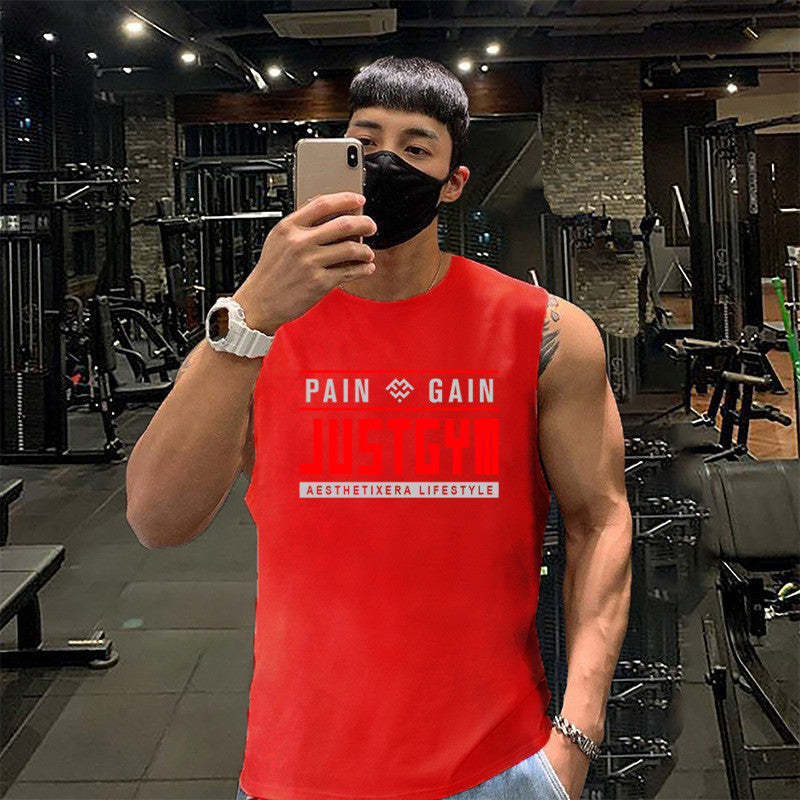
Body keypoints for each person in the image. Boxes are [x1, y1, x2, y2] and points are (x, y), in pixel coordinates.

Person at [127, 56, 631, 800]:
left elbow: (601, 518)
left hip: (499, 768)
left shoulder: (547, 333)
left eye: (416, 148)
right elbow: (156, 520)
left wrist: (578, 734)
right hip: (298, 771)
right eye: (366, 143)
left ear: (453, 183)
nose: (387, 163)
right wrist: (252, 314)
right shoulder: (257, 331)